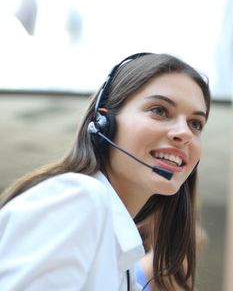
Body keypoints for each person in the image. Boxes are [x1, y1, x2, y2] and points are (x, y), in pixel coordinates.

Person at [0, 52, 211, 291]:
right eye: (159, 110)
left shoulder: (124, 258)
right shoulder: (79, 197)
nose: (184, 133)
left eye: (196, 124)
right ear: (104, 123)